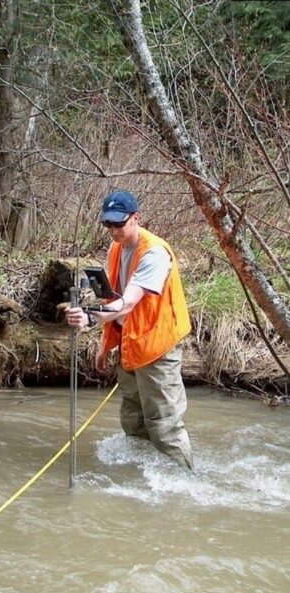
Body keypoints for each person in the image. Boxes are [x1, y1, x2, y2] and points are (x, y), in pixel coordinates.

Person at [65, 190, 193, 470]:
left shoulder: (155, 253)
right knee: (133, 419)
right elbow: (113, 297)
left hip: (158, 348)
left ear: (136, 218)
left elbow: (128, 303)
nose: (113, 231)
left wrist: (88, 318)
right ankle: (144, 475)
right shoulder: (116, 247)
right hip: (129, 343)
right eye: (108, 225)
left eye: (119, 224)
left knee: (164, 424)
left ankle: (184, 483)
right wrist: (104, 346)